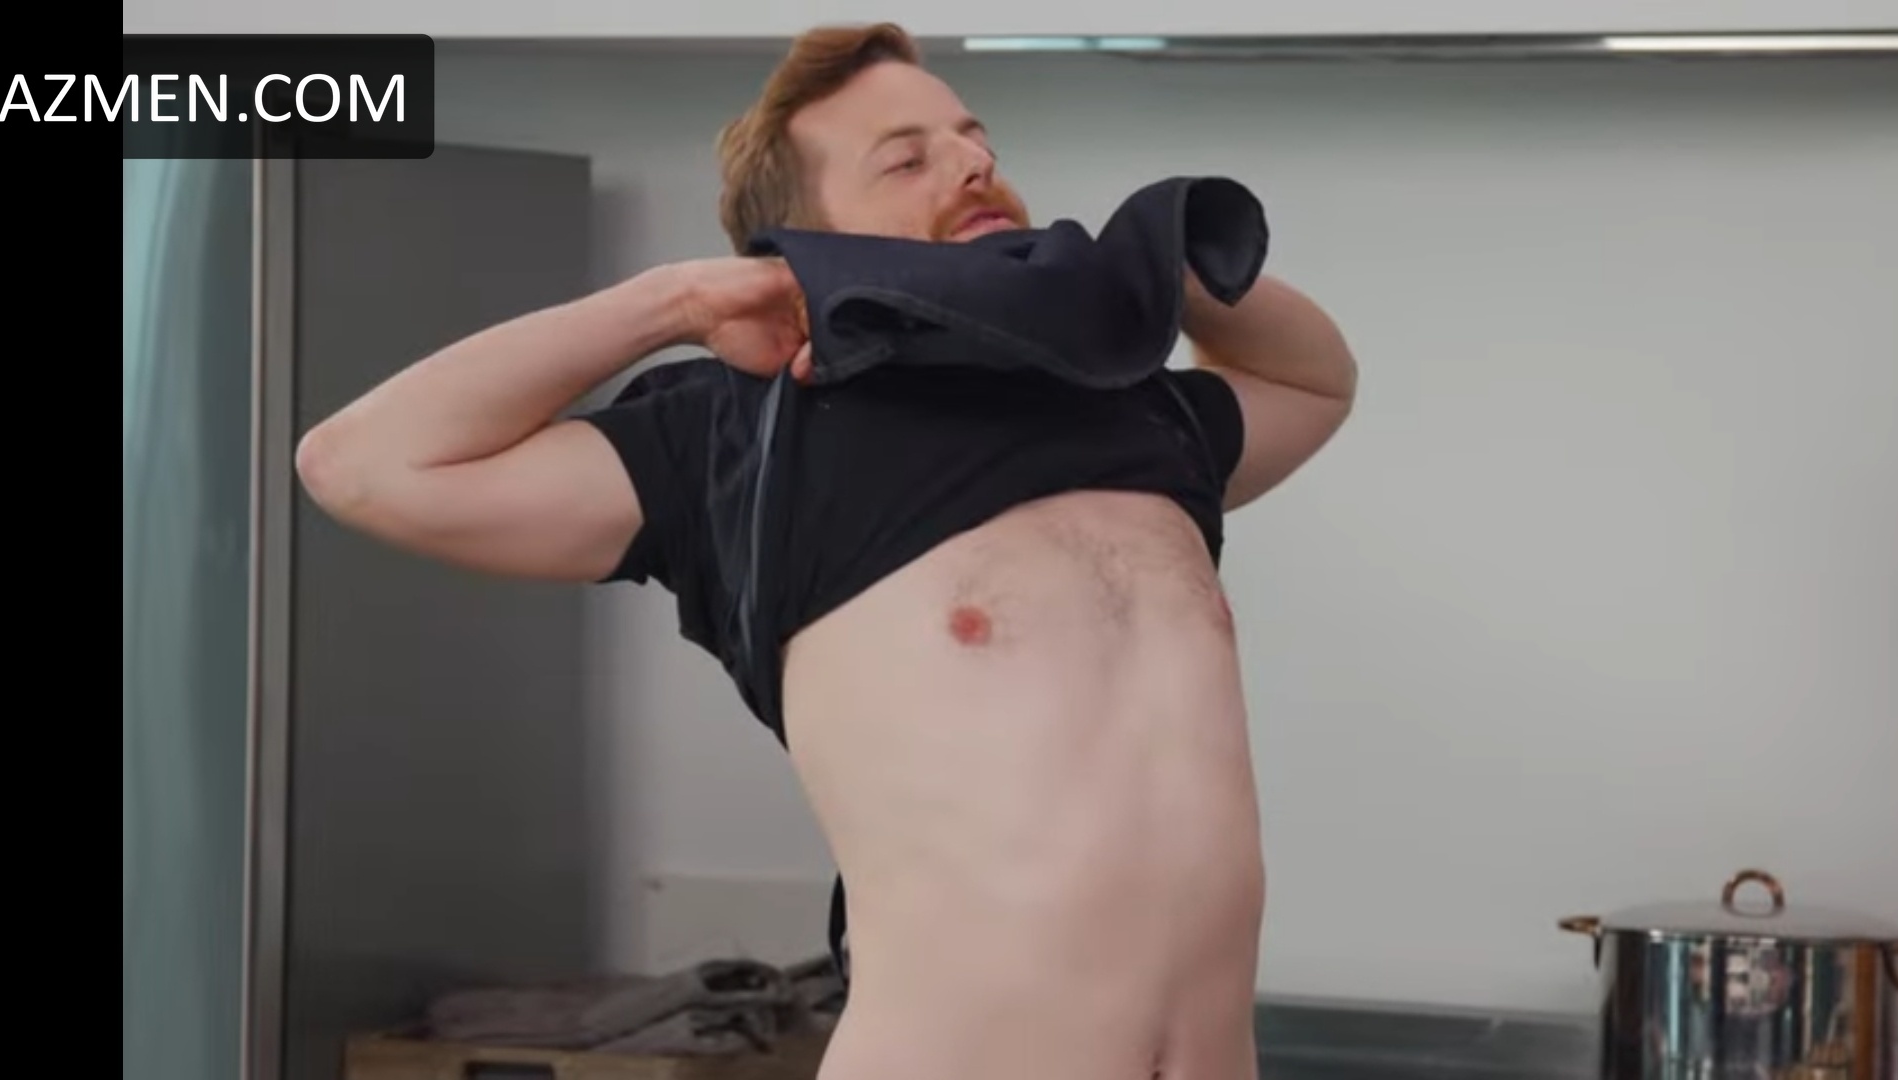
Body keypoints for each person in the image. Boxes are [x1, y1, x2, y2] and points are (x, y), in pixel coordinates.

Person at [293, 22, 1357, 1080]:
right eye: (906, 158)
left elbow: (1314, 382)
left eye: (973, 139)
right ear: (803, 237)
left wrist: (1141, 275)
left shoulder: (1139, 415)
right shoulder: (739, 437)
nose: (971, 163)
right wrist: (677, 302)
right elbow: (363, 464)